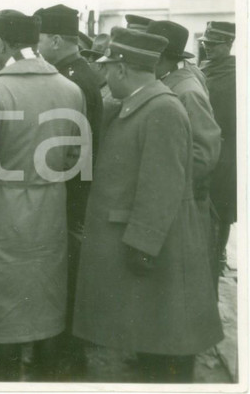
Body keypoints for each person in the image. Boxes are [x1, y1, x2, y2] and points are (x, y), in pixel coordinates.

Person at [73, 27, 223, 383]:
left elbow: (162, 185)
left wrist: (143, 243)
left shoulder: (163, 109)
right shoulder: (144, 102)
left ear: (122, 70)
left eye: (108, 68)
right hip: (155, 249)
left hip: (158, 250)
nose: (105, 75)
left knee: (166, 350)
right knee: (157, 342)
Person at [0, 10, 85, 381]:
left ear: (2, 42)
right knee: (44, 313)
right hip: (49, 214)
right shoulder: (70, 90)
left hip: (0, 219)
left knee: (4, 324)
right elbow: (74, 157)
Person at [34, 4, 103, 377]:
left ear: (57, 39)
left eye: (41, 38)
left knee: (66, 273)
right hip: (69, 189)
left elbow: (74, 149)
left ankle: (65, 356)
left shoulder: (74, 79)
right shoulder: (74, 73)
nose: (37, 45)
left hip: (69, 191)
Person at [147, 20, 222, 285]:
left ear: (159, 56)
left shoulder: (186, 90)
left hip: (184, 205)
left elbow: (204, 153)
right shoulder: (172, 81)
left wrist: (171, 192)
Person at [199, 21, 237, 274]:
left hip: (226, 157)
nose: (208, 48)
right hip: (207, 151)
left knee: (221, 210)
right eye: (206, 44)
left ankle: (217, 257)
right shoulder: (205, 69)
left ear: (228, 44)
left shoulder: (236, 76)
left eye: (214, 44)